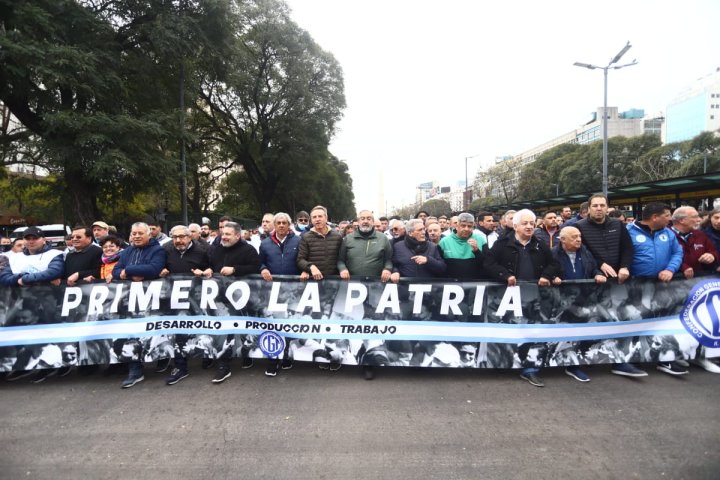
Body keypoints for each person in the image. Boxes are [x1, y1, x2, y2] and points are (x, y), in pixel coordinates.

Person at [484, 209, 560, 387]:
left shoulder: (540, 244)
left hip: (534, 298)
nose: (529, 227)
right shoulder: (502, 244)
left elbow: (555, 264)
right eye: (525, 223)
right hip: (508, 297)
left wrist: (547, 275)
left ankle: (529, 369)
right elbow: (489, 264)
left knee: (531, 332)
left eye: (532, 224)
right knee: (507, 330)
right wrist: (504, 275)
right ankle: (504, 362)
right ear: (515, 226)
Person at [575, 193, 645, 377]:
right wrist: (599, 264)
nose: (599, 208)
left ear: (608, 208)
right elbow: (582, 251)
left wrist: (625, 266)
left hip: (619, 281)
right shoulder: (579, 226)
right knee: (590, 319)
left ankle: (620, 361)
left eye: (602, 205)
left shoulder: (618, 225)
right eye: (595, 205)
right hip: (593, 281)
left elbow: (627, 248)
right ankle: (582, 360)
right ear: (588, 208)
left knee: (620, 319)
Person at [627, 202, 686, 376]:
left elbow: (677, 253)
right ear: (655, 217)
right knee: (636, 321)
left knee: (662, 321)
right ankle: (633, 358)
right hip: (635, 285)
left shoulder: (668, 233)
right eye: (667, 215)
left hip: (662, 286)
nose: (670, 219)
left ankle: (664, 359)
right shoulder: (628, 232)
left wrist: (670, 269)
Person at [337, 209, 393, 380]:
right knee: (351, 323)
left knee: (372, 326)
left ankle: (369, 363)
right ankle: (347, 356)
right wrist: (343, 269)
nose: (366, 221)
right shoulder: (348, 239)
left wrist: (387, 269)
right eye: (363, 218)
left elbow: (389, 260)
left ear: (373, 220)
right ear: (358, 221)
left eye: (369, 218)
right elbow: (340, 260)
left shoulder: (383, 238)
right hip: (353, 289)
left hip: (375, 290)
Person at [112, 222, 168, 388]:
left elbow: (153, 269)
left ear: (148, 234)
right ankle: (135, 370)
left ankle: (161, 360)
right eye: (133, 233)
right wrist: (131, 273)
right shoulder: (127, 251)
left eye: (140, 233)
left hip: (152, 300)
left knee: (152, 333)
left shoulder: (157, 250)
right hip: (129, 300)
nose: (136, 236)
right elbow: (116, 271)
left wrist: (128, 271)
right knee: (130, 334)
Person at [158, 225, 213, 385]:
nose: (178, 240)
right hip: (174, 300)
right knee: (177, 333)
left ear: (190, 237)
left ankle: (206, 358)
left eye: (182, 236)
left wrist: (206, 272)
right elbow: (159, 267)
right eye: (175, 237)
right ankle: (180, 367)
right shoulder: (166, 250)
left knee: (201, 331)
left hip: (198, 300)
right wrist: (161, 271)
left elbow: (213, 269)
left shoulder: (202, 251)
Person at [208, 221, 261, 383]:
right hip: (220, 300)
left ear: (237, 236)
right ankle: (223, 365)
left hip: (242, 300)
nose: (223, 237)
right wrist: (208, 269)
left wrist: (235, 269)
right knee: (225, 331)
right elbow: (208, 264)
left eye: (228, 234)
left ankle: (246, 355)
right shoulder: (215, 249)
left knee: (243, 331)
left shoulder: (248, 250)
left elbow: (255, 267)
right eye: (222, 234)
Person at [551, 226, 606, 382]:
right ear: (563, 240)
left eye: (579, 236)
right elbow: (545, 270)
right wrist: (552, 276)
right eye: (574, 237)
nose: (579, 239)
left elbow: (593, 268)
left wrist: (598, 274)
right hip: (562, 302)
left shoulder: (585, 252)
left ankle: (579, 362)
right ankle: (570, 364)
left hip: (585, 300)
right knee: (567, 334)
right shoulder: (553, 254)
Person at [669, 206, 720, 373]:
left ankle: (700, 356)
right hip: (673, 287)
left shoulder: (700, 235)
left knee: (700, 321)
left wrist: (712, 257)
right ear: (682, 220)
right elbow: (666, 257)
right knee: (675, 321)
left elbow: (712, 251)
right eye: (695, 217)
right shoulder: (668, 235)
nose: (699, 219)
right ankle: (679, 354)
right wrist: (682, 266)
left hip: (698, 286)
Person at [259, 212, 301, 376]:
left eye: (285, 223)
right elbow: (260, 262)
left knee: (289, 323)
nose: (282, 225)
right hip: (273, 291)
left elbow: (303, 259)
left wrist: (305, 270)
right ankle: (273, 360)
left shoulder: (298, 241)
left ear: (289, 225)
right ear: (274, 225)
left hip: (293, 291)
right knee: (273, 324)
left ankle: (286, 356)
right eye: (279, 223)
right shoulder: (266, 243)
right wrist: (263, 269)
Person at [297, 206, 343, 281]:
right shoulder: (305, 237)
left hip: (334, 281)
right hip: (313, 281)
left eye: (320, 216)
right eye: (314, 217)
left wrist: (342, 269)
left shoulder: (337, 236)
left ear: (326, 218)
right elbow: (300, 260)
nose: (317, 219)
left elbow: (342, 259)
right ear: (311, 220)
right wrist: (310, 267)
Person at [438, 212, 486, 280]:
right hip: (452, 285)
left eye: (469, 226)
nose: (466, 229)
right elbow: (440, 267)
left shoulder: (480, 239)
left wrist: (477, 251)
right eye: (463, 226)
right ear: (457, 226)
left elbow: (487, 264)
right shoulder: (444, 242)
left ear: (473, 227)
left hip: (474, 284)